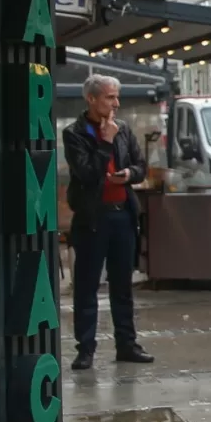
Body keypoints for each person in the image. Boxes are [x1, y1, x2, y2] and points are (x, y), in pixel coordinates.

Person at [62, 74, 153, 369]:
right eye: (110, 97)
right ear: (92, 99)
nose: (116, 103)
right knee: (87, 286)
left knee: (122, 286)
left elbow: (140, 167)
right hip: (92, 218)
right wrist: (105, 143)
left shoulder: (123, 129)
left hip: (122, 215)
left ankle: (127, 344)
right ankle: (85, 349)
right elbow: (87, 173)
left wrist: (129, 175)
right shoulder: (75, 133)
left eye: (117, 97)